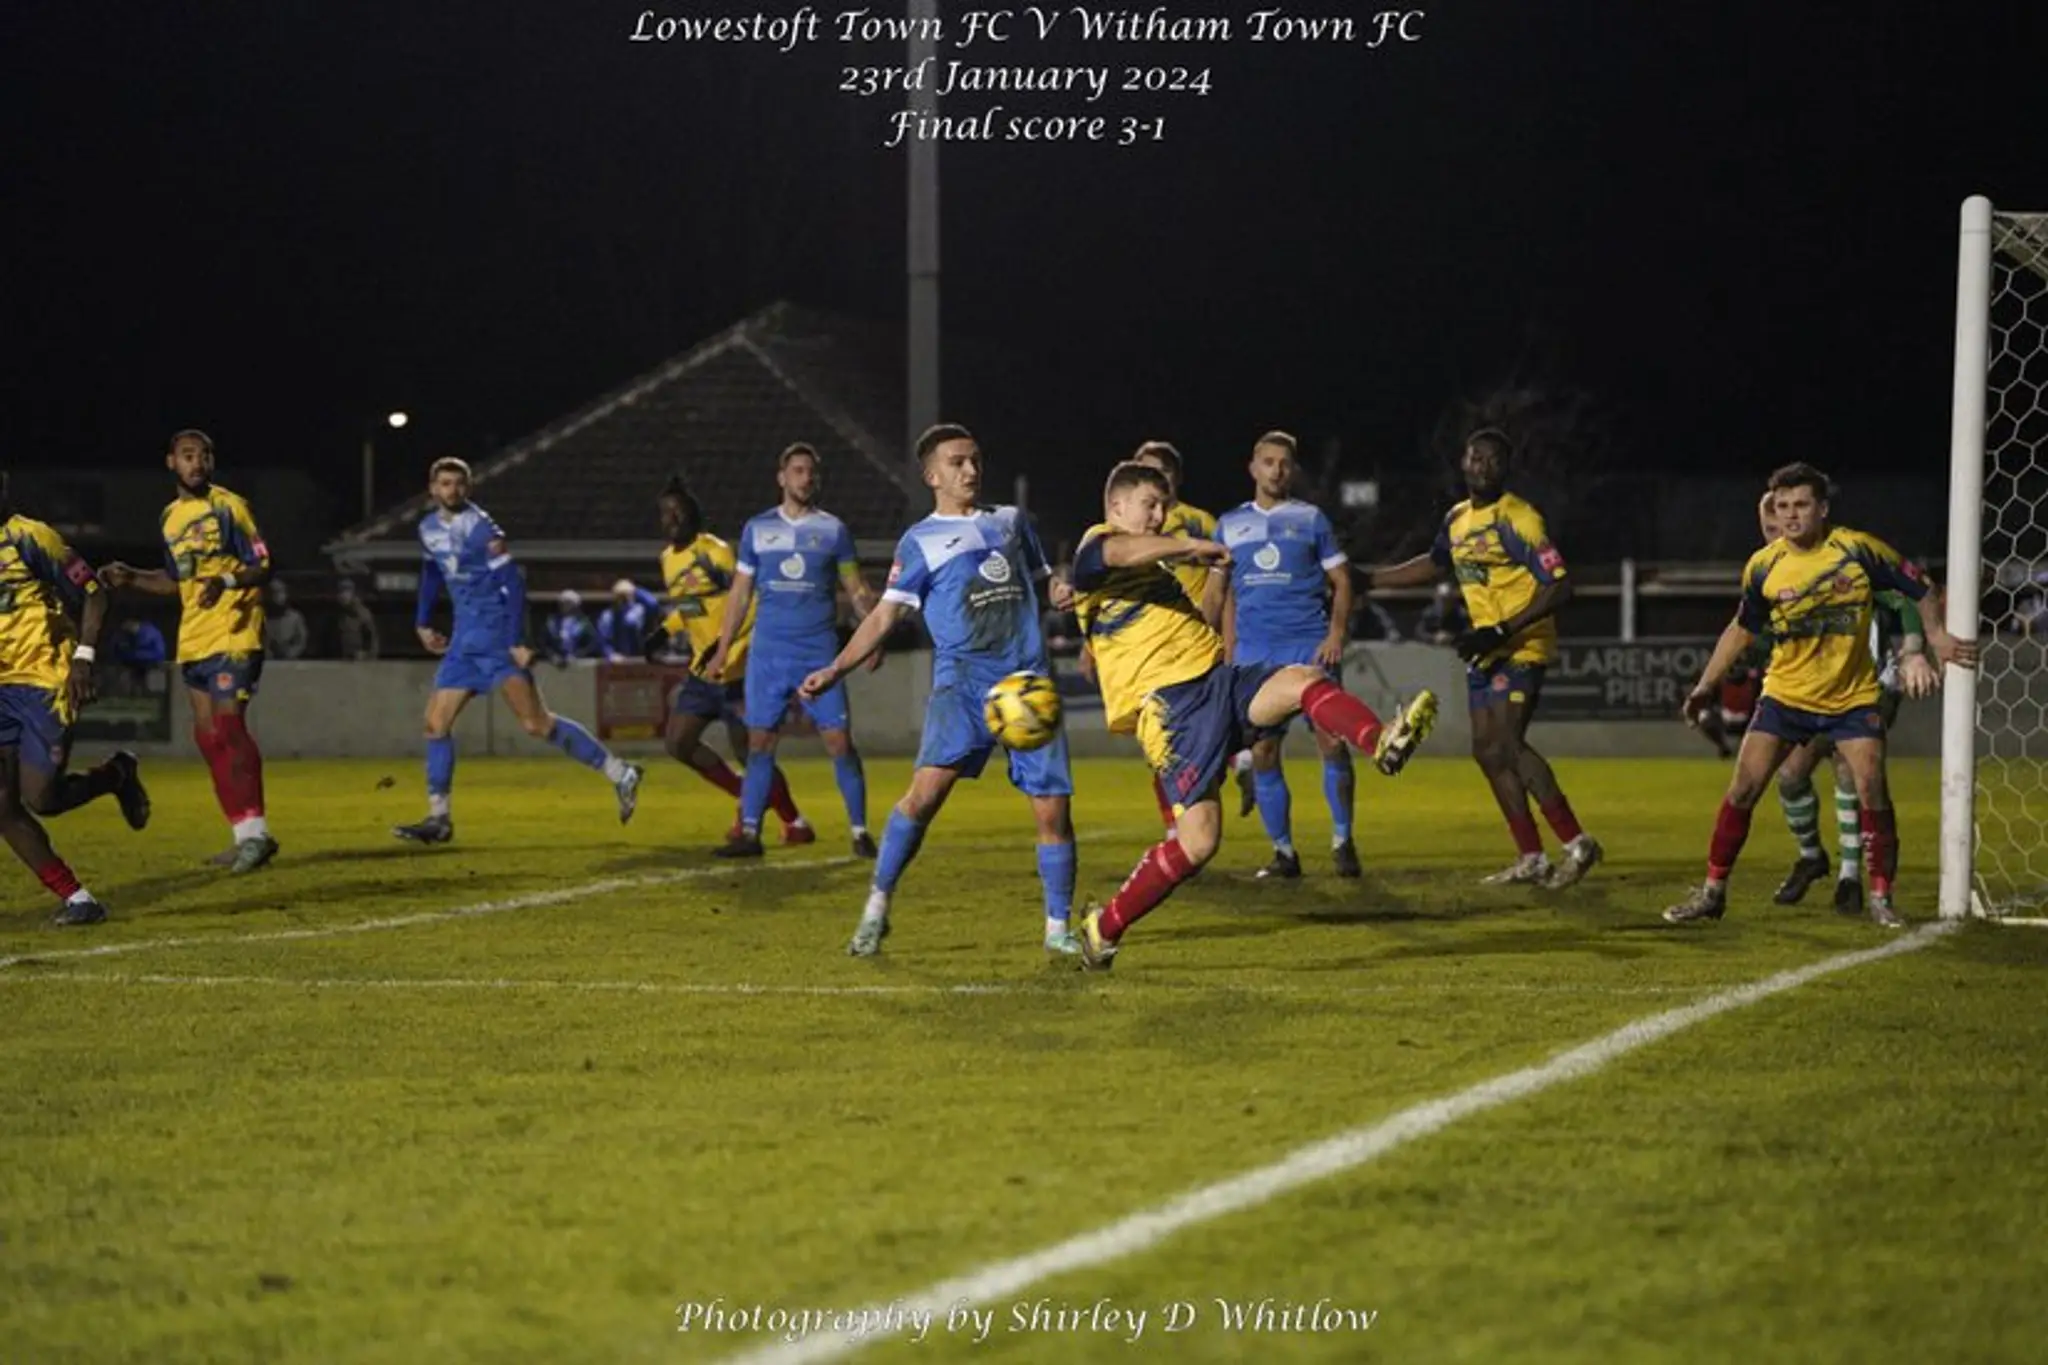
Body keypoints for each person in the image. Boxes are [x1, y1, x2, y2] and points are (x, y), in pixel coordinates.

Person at [1069, 461, 1439, 971]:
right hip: (1173, 710)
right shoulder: (1097, 547)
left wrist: (1218, 573)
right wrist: (1187, 546)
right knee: (1199, 843)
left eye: (1163, 507)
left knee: (1305, 679)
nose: (1158, 516)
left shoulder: (1153, 572)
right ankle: (1103, 928)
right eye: (1149, 505)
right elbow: (1116, 552)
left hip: (1218, 680)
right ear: (1116, 506)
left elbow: (1200, 618)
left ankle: (1381, 740)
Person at [801, 424, 1080, 957]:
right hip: (963, 685)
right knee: (924, 797)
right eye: (957, 462)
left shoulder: (1012, 521)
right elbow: (884, 615)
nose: (970, 470)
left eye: (975, 460)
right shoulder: (919, 541)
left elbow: (1045, 579)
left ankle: (1057, 929)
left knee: (1053, 811)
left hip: (1025, 683)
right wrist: (836, 669)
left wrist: (1060, 587)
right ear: (932, 476)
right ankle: (876, 908)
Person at [1663, 462, 1975, 927]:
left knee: (1870, 787)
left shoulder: (1857, 549)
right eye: (1783, 506)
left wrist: (1932, 639)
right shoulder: (1764, 565)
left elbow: (1919, 586)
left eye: (1801, 505)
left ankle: (1880, 897)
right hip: (1785, 698)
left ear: (1822, 508)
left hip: (1852, 700)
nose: (1790, 515)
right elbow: (1742, 628)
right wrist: (1706, 684)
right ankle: (1712, 893)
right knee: (1744, 788)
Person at [1365, 429, 1602, 888]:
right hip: (1486, 648)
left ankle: (1578, 842)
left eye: (1493, 460)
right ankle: (1531, 857)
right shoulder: (1457, 519)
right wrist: (1370, 579)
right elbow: (1433, 562)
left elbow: (1560, 585)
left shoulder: (1519, 518)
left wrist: (1502, 629)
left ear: (1505, 468)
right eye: (1476, 458)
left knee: (1509, 744)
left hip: (1522, 645)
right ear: (1463, 462)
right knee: (1487, 751)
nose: (1483, 467)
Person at [392, 457, 642, 844]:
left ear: (468, 488)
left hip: (495, 638)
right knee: (435, 725)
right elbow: (431, 574)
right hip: (464, 642)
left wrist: (517, 640)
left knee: (536, 724)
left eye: (459, 483)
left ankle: (620, 772)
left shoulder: (482, 528)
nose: (452, 490)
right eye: (445, 483)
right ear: (433, 488)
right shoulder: (427, 529)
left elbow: (513, 582)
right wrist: (423, 622)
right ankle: (439, 818)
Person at [98, 429, 279, 872]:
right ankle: (243, 835)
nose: (197, 463)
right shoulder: (170, 517)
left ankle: (258, 834)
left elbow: (262, 563)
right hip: (194, 638)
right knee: (207, 736)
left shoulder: (229, 506)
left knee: (229, 726)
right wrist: (131, 577)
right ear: (171, 462)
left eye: (204, 456)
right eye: (188, 455)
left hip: (235, 631)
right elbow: (175, 580)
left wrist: (227, 581)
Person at [1755, 496, 1943, 915]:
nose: (1778, 535)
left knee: (1847, 771)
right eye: (1769, 531)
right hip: (1809, 694)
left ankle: (1851, 878)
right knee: (1790, 776)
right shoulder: (1773, 576)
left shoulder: (1844, 563)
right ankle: (1811, 857)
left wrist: (1914, 650)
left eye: (1782, 526)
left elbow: (1905, 597)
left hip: (1867, 687)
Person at [703, 443, 880, 860]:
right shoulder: (757, 530)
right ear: (782, 478)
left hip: (819, 655)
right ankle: (750, 833)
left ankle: (860, 832)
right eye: (797, 470)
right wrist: (723, 649)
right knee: (759, 744)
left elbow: (856, 589)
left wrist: (873, 637)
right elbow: (740, 594)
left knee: (839, 743)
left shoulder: (833, 531)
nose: (805, 478)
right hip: (769, 655)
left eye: (810, 472)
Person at [1209, 431, 1362, 879]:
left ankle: (1343, 841)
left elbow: (1343, 582)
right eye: (1269, 461)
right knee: (1263, 752)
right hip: (1256, 655)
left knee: (1332, 742)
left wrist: (1335, 634)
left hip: (1309, 646)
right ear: (1253, 468)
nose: (1277, 470)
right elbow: (1216, 593)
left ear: (1292, 470)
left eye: (1284, 463)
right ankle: (1284, 854)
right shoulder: (1229, 525)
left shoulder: (1311, 519)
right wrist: (1213, 646)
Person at [0, 471, 149, 924]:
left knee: (43, 798)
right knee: (1, 804)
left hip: (44, 680)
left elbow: (93, 592)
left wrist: (83, 658)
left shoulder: (31, 537)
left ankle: (116, 774)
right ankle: (78, 899)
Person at [654, 474, 812, 845]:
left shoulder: (715, 552)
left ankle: (793, 822)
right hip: (702, 673)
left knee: (750, 752)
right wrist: (664, 630)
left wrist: (724, 645)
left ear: (692, 514)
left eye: (678, 512)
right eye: (665, 513)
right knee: (679, 743)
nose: (672, 519)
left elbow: (751, 603)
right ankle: (751, 798)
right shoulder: (667, 559)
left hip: (740, 671)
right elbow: (692, 606)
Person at [596, 579, 660, 662]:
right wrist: (610, 654)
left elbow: (653, 603)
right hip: (619, 660)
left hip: (640, 658)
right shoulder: (608, 616)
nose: (625, 599)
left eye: (627, 596)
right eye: (621, 596)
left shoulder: (638, 611)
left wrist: (635, 590)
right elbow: (603, 641)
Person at [110, 616, 168, 695]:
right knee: (128, 660)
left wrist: (125, 650)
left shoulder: (146, 631)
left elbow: (141, 645)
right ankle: (136, 688)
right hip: (146, 656)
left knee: (129, 659)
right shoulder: (138, 632)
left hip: (151, 656)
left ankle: (137, 689)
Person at [543, 589, 596, 665]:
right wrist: (552, 655)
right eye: (562, 602)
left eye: (568, 603)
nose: (564, 605)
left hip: (578, 663)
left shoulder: (584, 623)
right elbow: (544, 643)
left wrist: (577, 655)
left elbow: (590, 644)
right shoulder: (552, 621)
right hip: (555, 663)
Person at [334, 578, 380, 660]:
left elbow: (372, 638)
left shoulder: (361, 612)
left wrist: (365, 654)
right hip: (344, 658)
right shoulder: (340, 612)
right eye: (341, 592)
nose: (342, 595)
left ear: (352, 594)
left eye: (346, 592)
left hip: (359, 659)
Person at [262, 580, 308, 660]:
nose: (275, 596)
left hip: (289, 661)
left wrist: (290, 653)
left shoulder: (295, 617)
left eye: (279, 592)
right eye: (272, 592)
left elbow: (301, 641)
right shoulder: (259, 617)